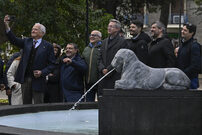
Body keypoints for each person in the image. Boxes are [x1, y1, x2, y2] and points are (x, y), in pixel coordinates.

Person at [4, 15, 56, 104]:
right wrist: (7, 26)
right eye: (32, 29)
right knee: (26, 106)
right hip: (25, 79)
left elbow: (52, 65)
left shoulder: (48, 46)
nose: (33, 30)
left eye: (36, 29)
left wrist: (42, 72)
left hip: (39, 81)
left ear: (42, 33)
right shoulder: (26, 41)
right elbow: (13, 40)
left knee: (37, 105)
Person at [98, 19, 128, 93]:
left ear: (117, 29)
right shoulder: (104, 42)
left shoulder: (122, 42)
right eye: (108, 26)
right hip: (102, 76)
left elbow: (121, 59)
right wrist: (102, 68)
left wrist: (109, 69)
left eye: (111, 26)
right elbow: (99, 57)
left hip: (114, 75)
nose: (109, 28)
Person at [177, 23, 201, 89]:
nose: (182, 31)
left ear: (191, 33)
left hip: (191, 80)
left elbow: (195, 65)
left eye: (185, 30)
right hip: (182, 78)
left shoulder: (194, 46)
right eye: (182, 29)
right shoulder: (182, 45)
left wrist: (183, 73)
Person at [82, 30, 102, 102]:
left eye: (94, 35)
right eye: (91, 35)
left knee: (101, 103)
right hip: (88, 82)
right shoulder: (86, 49)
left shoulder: (103, 48)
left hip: (100, 81)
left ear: (100, 38)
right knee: (89, 103)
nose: (91, 36)